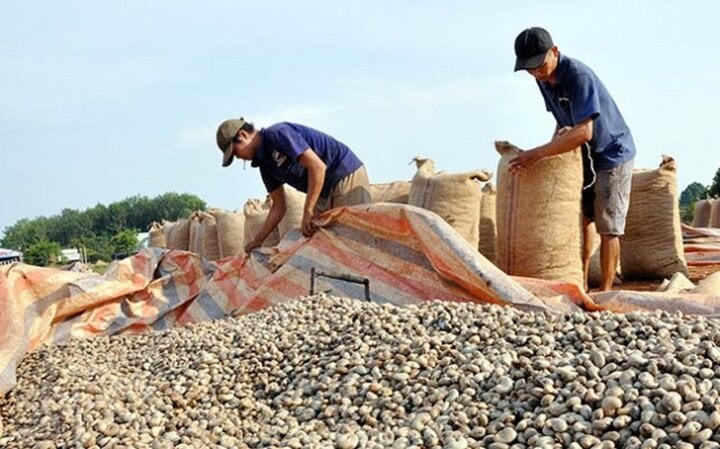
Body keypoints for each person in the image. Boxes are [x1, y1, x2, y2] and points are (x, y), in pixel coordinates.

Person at [508, 27, 636, 292]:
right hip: (585, 156)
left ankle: (606, 292)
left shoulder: (578, 76)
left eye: (539, 66)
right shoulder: (542, 80)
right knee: (583, 218)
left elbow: (584, 130)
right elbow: (562, 120)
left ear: (554, 51)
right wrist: (550, 156)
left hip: (612, 153)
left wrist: (538, 153)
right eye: (529, 69)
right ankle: (581, 282)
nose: (535, 73)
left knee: (608, 225)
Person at [215, 117, 371, 252]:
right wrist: (258, 240)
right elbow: (278, 206)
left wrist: (308, 210)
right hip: (323, 189)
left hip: (343, 173)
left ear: (242, 135)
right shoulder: (265, 165)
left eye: (235, 152)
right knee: (317, 240)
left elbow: (317, 167)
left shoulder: (278, 134)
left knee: (353, 242)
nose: (238, 158)